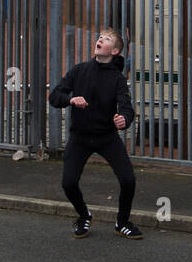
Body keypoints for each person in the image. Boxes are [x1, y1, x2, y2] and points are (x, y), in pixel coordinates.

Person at [48, 28, 140, 238]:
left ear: (114, 51)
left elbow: (126, 106)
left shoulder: (117, 79)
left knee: (128, 179)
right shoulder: (79, 71)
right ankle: (84, 216)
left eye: (106, 39)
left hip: (107, 138)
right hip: (79, 137)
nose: (100, 40)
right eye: (100, 37)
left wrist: (123, 119)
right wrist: (70, 99)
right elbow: (55, 96)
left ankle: (122, 222)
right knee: (68, 183)